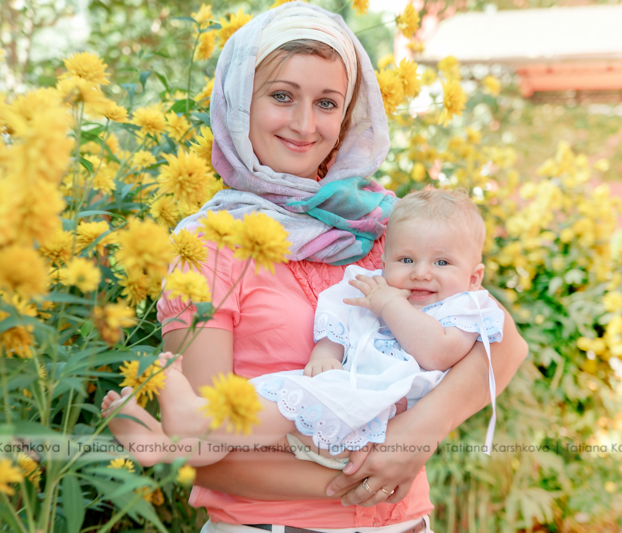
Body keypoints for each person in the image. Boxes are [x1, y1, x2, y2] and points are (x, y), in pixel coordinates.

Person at [101, 2, 528, 530]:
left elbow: (503, 342)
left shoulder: (383, 225)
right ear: (240, 102)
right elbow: (205, 450)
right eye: (282, 96)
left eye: (327, 103)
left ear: (347, 115)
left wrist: (414, 438)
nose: (305, 125)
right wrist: (372, 476)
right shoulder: (209, 246)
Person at [149, 188, 504, 472]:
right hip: (342, 390)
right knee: (273, 397)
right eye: (406, 260)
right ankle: (166, 440)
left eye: (442, 262)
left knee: (283, 412)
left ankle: (190, 421)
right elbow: (342, 316)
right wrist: (325, 353)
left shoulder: (467, 307)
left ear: (474, 277)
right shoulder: (377, 287)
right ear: (385, 262)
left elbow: (438, 352)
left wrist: (390, 305)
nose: (421, 273)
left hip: (377, 406)